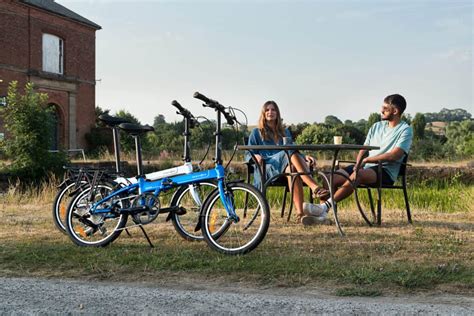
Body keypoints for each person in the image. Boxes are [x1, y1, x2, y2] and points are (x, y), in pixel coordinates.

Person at [302, 94, 413, 225]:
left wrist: (368, 161)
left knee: (357, 175)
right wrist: (360, 162)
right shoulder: (377, 126)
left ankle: (324, 207)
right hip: (365, 167)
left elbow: (395, 155)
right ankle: (322, 217)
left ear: (395, 111)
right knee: (330, 177)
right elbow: (364, 148)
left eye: (385, 108)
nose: (381, 111)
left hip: (385, 171)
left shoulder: (405, 130)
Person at [246, 100, 329, 224]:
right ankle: (314, 186)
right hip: (268, 167)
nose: (270, 112)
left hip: (285, 166)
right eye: (267, 110)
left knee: (293, 169)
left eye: (273, 109)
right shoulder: (256, 132)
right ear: (263, 113)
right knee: (288, 151)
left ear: (277, 113)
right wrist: (255, 157)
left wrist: (304, 157)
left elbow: (294, 151)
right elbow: (248, 153)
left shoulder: (285, 132)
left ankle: (300, 214)